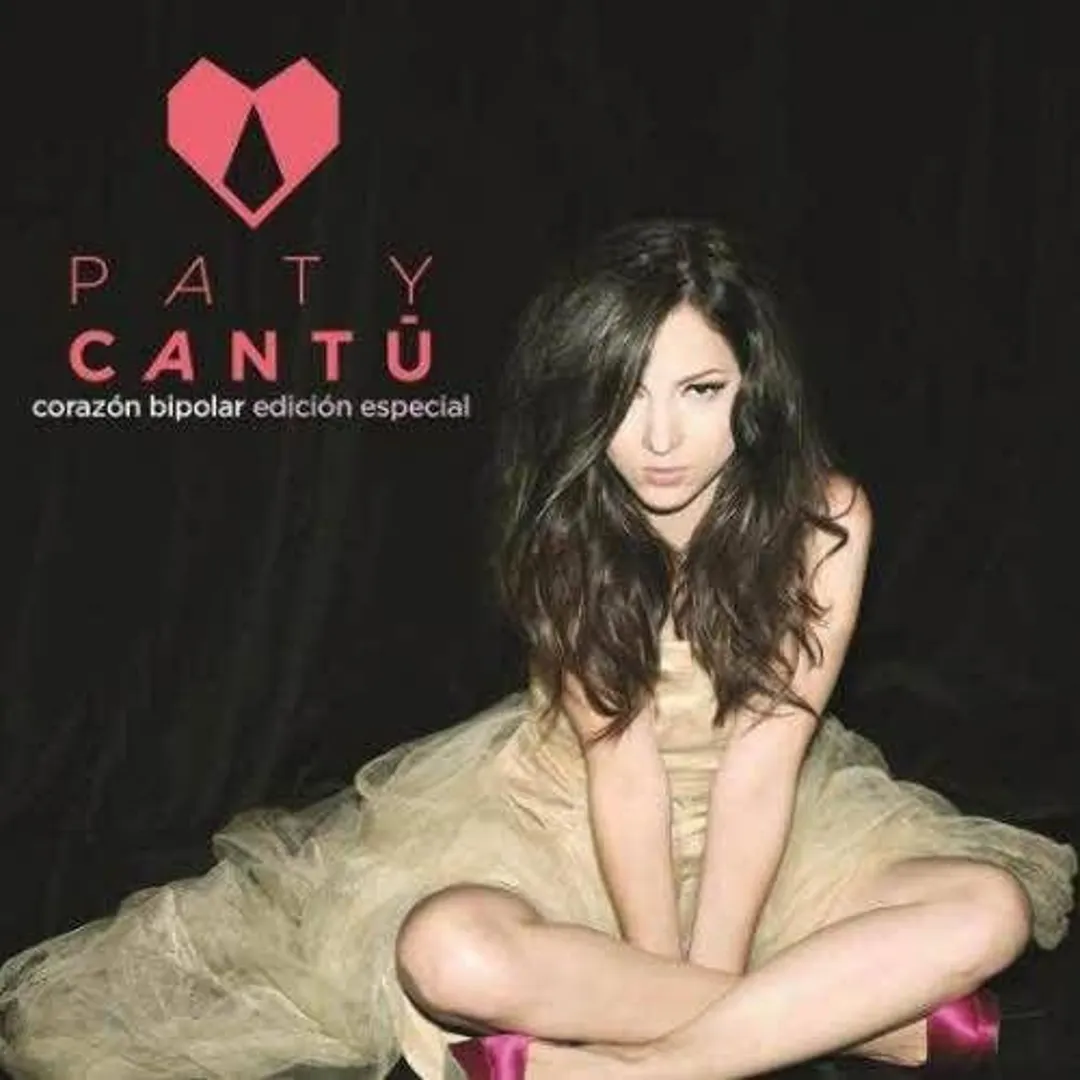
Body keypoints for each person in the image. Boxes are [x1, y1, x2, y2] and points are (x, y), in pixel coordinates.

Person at [0, 219, 1075, 1080]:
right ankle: (838, 1022)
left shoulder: (824, 516)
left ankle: (634, 1066)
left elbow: (762, 765)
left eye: (698, 391)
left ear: (751, 388)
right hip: (568, 820)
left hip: (782, 824)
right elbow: (624, 774)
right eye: (625, 397)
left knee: (993, 907)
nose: (660, 440)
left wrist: (680, 995)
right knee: (445, 952)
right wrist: (682, 974)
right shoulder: (569, 524)